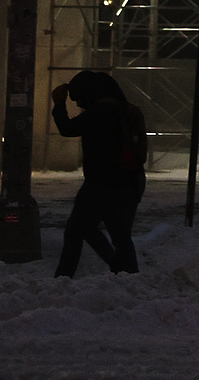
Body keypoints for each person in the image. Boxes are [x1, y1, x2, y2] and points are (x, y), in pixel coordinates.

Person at [50, 70, 148, 277]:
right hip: (130, 181)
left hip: (101, 183)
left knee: (76, 230)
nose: (78, 104)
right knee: (120, 235)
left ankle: (64, 278)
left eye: (79, 98)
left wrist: (59, 104)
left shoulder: (100, 111)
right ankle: (128, 274)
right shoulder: (125, 108)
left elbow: (68, 128)